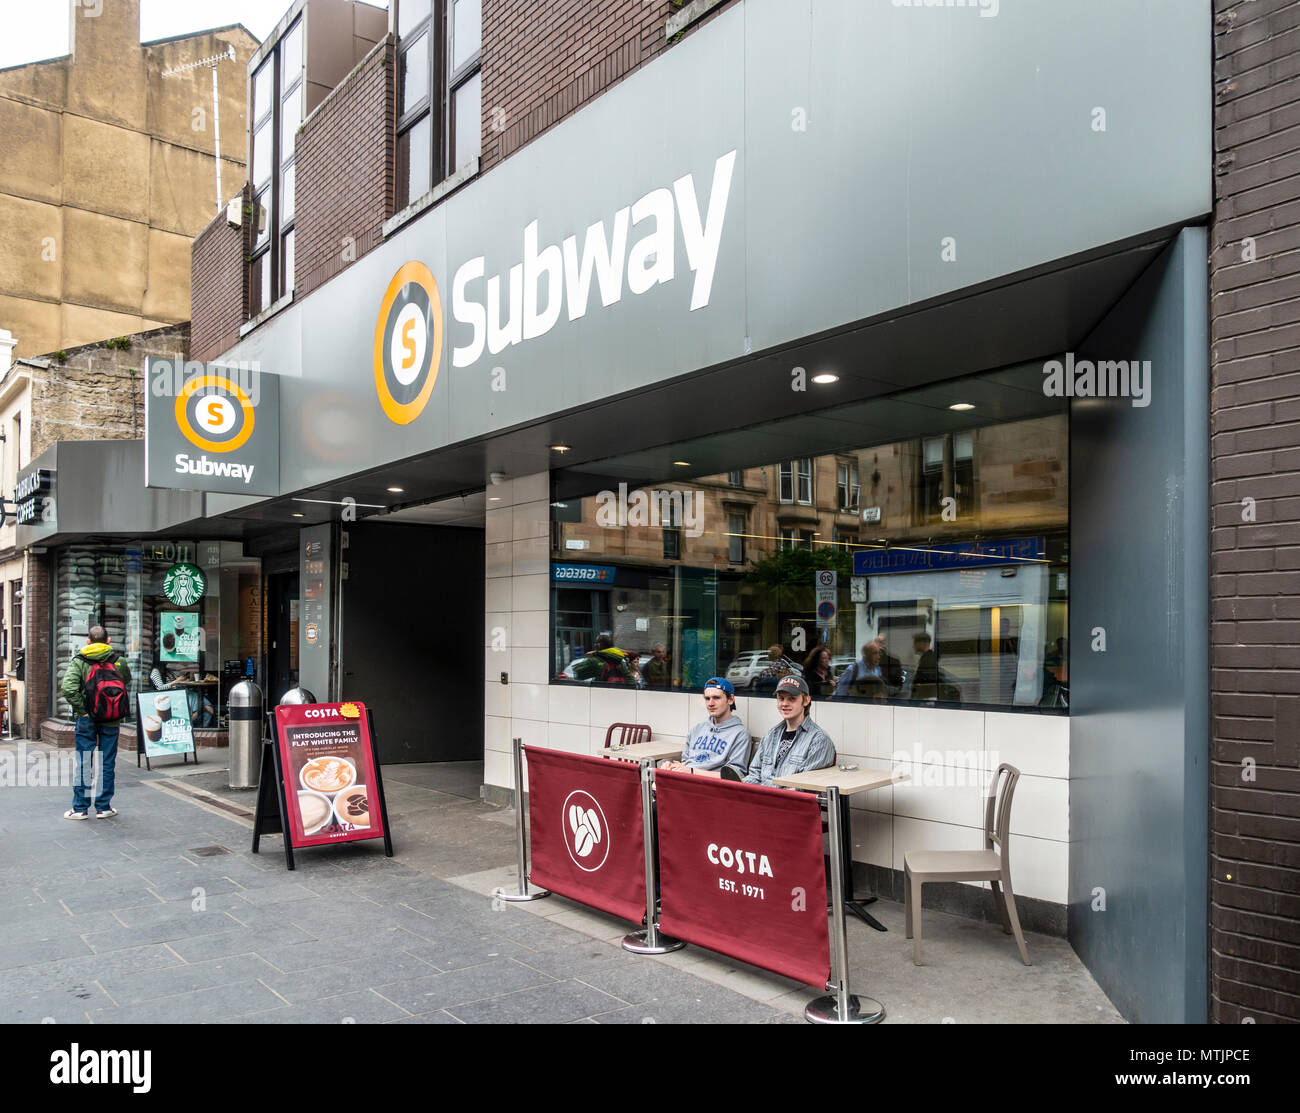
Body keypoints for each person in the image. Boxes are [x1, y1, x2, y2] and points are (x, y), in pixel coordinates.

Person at [61, 625, 132, 819]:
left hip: (87, 721)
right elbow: (125, 681)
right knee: (107, 762)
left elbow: (68, 689)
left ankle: (80, 809)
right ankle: (104, 807)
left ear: (88, 641)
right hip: (111, 719)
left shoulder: (79, 661)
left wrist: (83, 710)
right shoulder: (119, 661)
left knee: (84, 762)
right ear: (108, 641)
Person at [744, 675, 836, 788]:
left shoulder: (819, 740)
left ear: (806, 700)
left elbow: (805, 787)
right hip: (762, 800)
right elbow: (754, 774)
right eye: (781, 698)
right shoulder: (771, 735)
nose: (784, 704)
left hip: (790, 803)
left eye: (792, 699)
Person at [661, 677, 751, 779]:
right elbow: (685, 763)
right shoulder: (697, 729)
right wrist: (672, 767)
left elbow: (734, 777)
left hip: (709, 788)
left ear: (730, 699)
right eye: (707, 698)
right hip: (685, 781)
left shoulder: (740, 734)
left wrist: (691, 771)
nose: (710, 703)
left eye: (716, 698)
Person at [909, 632, 941, 700]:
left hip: (925, 700)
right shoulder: (927, 658)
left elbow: (926, 682)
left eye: (915, 643)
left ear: (924, 643)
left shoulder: (928, 660)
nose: (913, 646)